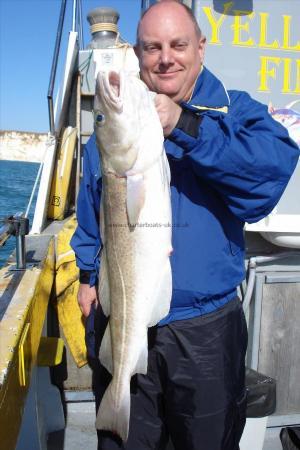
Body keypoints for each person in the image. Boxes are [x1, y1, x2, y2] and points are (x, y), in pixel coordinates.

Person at [70, 1, 300, 449]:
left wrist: (185, 125)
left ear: (201, 48)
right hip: (122, 318)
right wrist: (85, 274)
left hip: (205, 331)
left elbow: (265, 179)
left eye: (178, 45)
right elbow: (91, 206)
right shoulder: (120, 121)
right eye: (152, 47)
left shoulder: (237, 113)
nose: (165, 57)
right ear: (138, 54)